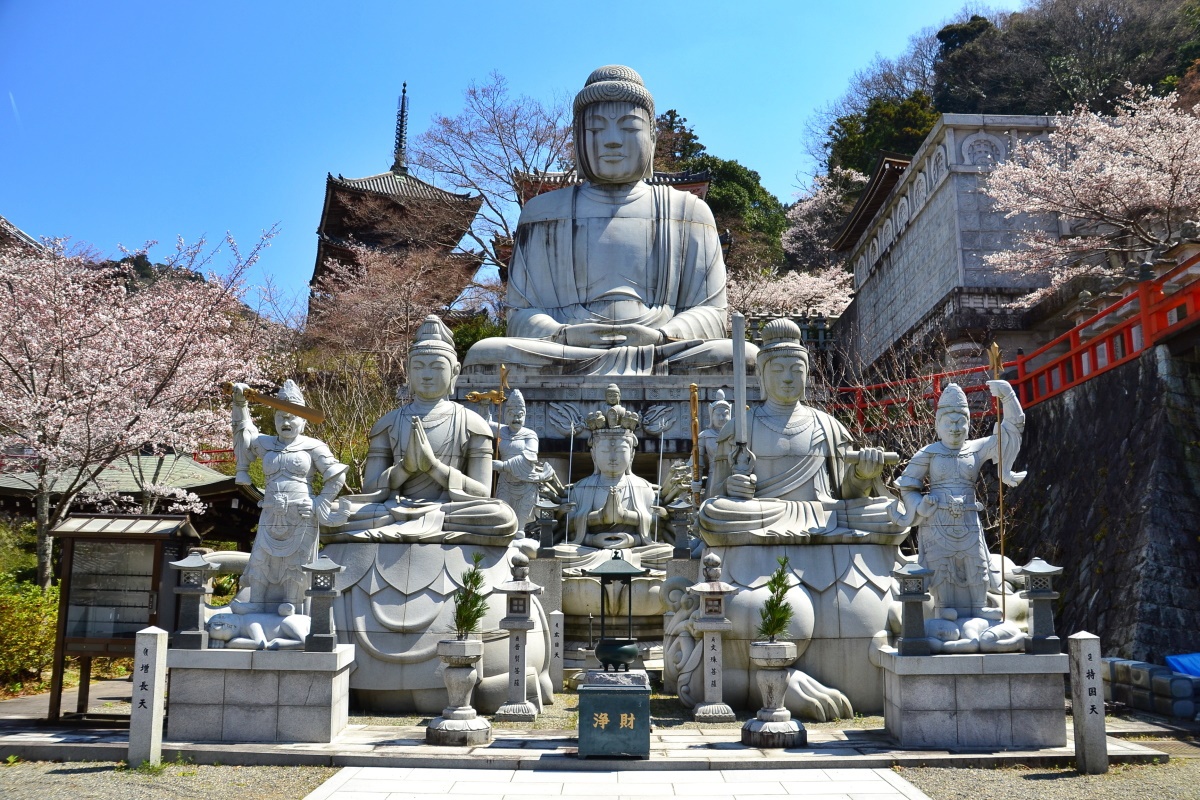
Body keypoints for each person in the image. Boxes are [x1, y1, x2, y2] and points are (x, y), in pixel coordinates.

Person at [463, 65, 753, 376]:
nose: (612, 141)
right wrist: (565, 334)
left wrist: (661, 335)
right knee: (486, 353)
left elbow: (712, 313)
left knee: (740, 355)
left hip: (659, 347)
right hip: (566, 349)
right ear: (577, 139)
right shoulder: (541, 213)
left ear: (652, 137)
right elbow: (520, 317)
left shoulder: (689, 211)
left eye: (629, 128)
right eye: (597, 130)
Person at [697, 319, 905, 544]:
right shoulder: (738, 428)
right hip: (763, 514)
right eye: (778, 370)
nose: (788, 378)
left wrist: (862, 476)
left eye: (797, 370)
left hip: (824, 515)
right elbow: (714, 496)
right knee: (714, 512)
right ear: (761, 375)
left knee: (888, 511)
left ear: (807, 373)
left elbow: (848, 495)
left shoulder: (830, 426)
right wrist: (730, 487)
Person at [324, 316, 518, 543]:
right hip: (393, 509)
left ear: (455, 372)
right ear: (408, 370)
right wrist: (405, 468)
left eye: (437, 367)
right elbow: (370, 489)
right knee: (335, 513)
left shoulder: (472, 423)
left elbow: (482, 492)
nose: (426, 375)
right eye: (418, 367)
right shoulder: (389, 422)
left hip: (449, 509)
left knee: (499, 515)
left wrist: (434, 467)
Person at [891, 381, 1026, 621]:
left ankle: (979, 605)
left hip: (968, 518)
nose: (955, 428)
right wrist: (919, 505)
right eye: (949, 422)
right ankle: (943, 608)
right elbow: (908, 486)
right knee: (941, 565)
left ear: (969, 423)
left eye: (960, 421)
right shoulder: (928, 453)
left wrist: (1008, 396)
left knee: (977, 563)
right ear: (937, 425)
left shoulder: (976, 448)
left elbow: (1011, 429)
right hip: (937, 520)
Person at [232, 380, 347, 611]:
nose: (286, 421)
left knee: (297, 561)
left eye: (291, 417)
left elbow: (336, 476)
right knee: (261, 558)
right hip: (271, 511)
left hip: (300, 513)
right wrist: (240, 403)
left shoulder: (313, 446)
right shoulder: (264, 444)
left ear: (303, 421)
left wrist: (319, 503)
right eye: (280, 416)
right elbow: (243, 432)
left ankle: (291, 602)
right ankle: (256, 602)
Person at [490, 389, 554, 530]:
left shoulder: (530, 435)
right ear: (506, 415)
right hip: (505, 483)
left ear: (525, 416)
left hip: (526, 484)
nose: (516, 419)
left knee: (520, 529)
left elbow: (529, 457)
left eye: (520, 415)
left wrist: (503, 466)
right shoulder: (502, 430)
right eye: (512, 415)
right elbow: (484, 426)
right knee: (502, 522)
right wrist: (483, 405)